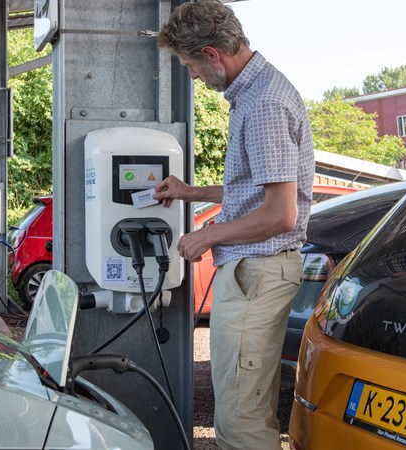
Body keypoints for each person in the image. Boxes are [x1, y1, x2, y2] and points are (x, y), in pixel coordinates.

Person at [154, 2, 314, 449]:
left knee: (241, 417)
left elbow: (280, 214)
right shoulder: (258, 93)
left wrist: (206, 235)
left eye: (190, 66)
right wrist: (191, 193)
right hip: (256, 273)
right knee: (239, 406)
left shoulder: (263, 103)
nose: (193, 77)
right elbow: (258, 191)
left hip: (257, 273)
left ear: (211, 54)